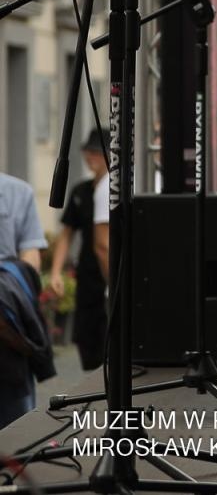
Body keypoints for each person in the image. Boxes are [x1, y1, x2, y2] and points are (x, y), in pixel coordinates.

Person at [51, 130, 109, 371]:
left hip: (108, 270)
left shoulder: (115, 190)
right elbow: (66, 235)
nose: (90, 158)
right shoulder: (81, 191)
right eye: (88, 152)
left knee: (109, 337)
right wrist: (55, 272)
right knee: (87, 338)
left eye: (96, 153)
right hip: (87, 274)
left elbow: (104, 245)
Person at [0, 169, 52, 426]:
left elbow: (30, 259)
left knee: (14, 422)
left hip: (6, 327)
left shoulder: (17, 191)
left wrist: (14, 292)